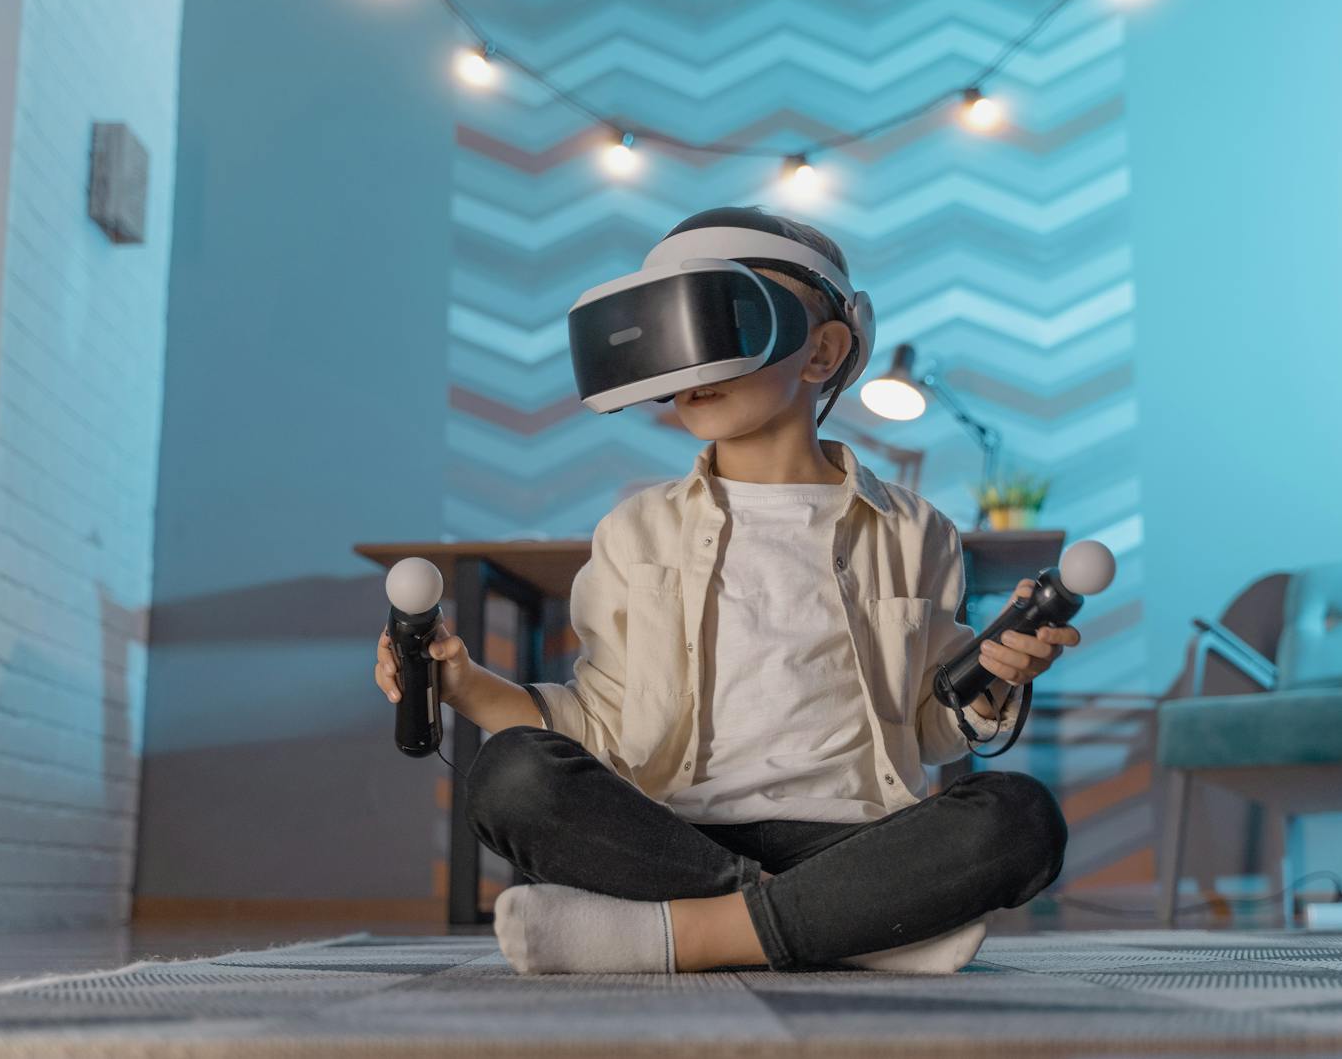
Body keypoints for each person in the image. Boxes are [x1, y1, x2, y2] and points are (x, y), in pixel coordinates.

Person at [374, 206, 1077, 974]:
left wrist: (990, 683)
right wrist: (464, 684)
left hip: (854, 835)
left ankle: (682, 935)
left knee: (1019, 818)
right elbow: (599, 727)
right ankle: (853, 925)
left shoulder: (917, 531)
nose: (690, 362)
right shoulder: (634, 531)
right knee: (509, 775)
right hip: (674, 833)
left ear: (822, 352)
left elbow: (931, 729)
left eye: (714, 320)